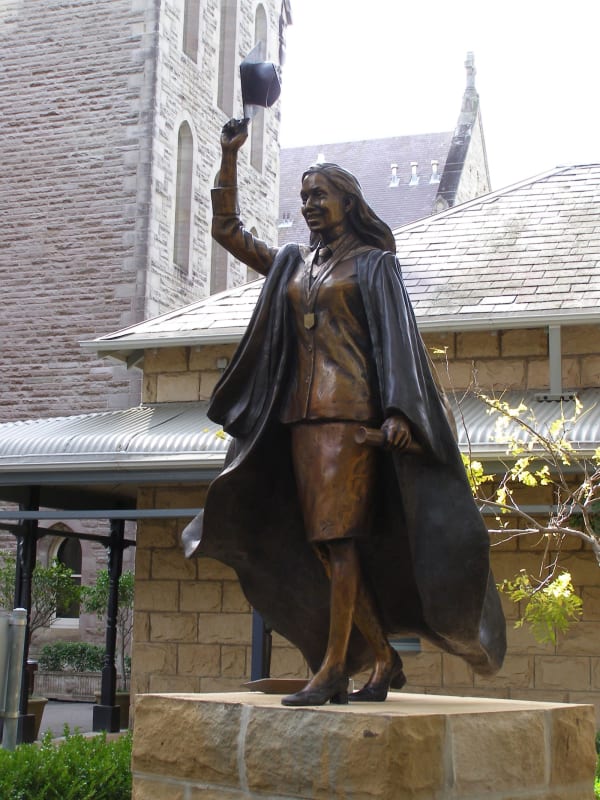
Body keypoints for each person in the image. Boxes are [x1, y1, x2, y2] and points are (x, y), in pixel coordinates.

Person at [182, 118, 506, 706]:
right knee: (325, 547)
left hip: (350, 422)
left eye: (319, 196)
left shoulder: (374, 265)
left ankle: (334, 669)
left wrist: (401, 413)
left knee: (340, 542)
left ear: (348, 203)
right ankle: (381, 658)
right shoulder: (293, 263)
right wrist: (228, 159)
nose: (308, 205)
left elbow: (397, 342)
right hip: (299, 422)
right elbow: (227, 230)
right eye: (303, 197)